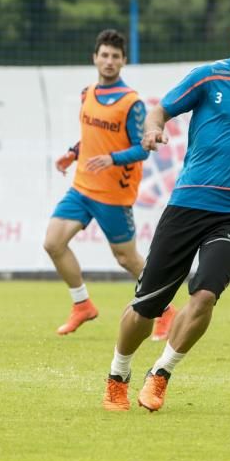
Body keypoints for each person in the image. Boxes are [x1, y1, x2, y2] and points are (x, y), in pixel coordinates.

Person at [102, 0, 230, 412]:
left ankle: (161, 374)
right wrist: (153, 131)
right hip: (189, 204)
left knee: (206, 294)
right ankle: (118, 375)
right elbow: (160, 110)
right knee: (147, 306)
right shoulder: (208, 77)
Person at [45, 29, 176, 337]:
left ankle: (167, 310)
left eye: (115, 56)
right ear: (95, 58)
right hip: (82, 187)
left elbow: (142, 148)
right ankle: (82, 305)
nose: (109, 61)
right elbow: (93, 137)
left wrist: (112, 159)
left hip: (113, 193)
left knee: (126, 259)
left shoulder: (131, 102)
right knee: (53, 242)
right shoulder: (86, 93)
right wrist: (72, 154)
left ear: (123, 62)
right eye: (104, 55)